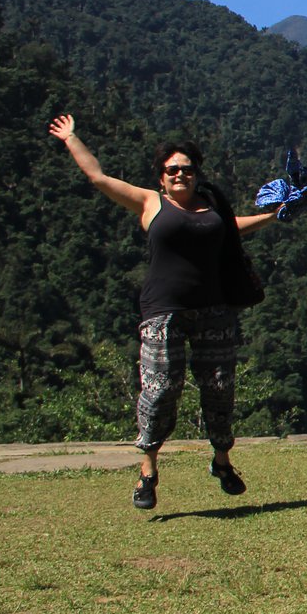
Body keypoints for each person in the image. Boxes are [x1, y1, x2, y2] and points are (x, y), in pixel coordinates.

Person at [48, 115, 277, 510]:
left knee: (220, 388)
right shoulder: (149, 202)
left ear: (196, 173)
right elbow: (99, 178)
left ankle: (222, 461)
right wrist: (71, 139)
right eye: (172, 169)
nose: (180, 175)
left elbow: (233, 228)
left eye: (187, 169)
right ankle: (148, 470)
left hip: (213, 311)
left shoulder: (211, 207)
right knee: (159, 391)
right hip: (163, 313)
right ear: (161, 176)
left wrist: (275, 215)